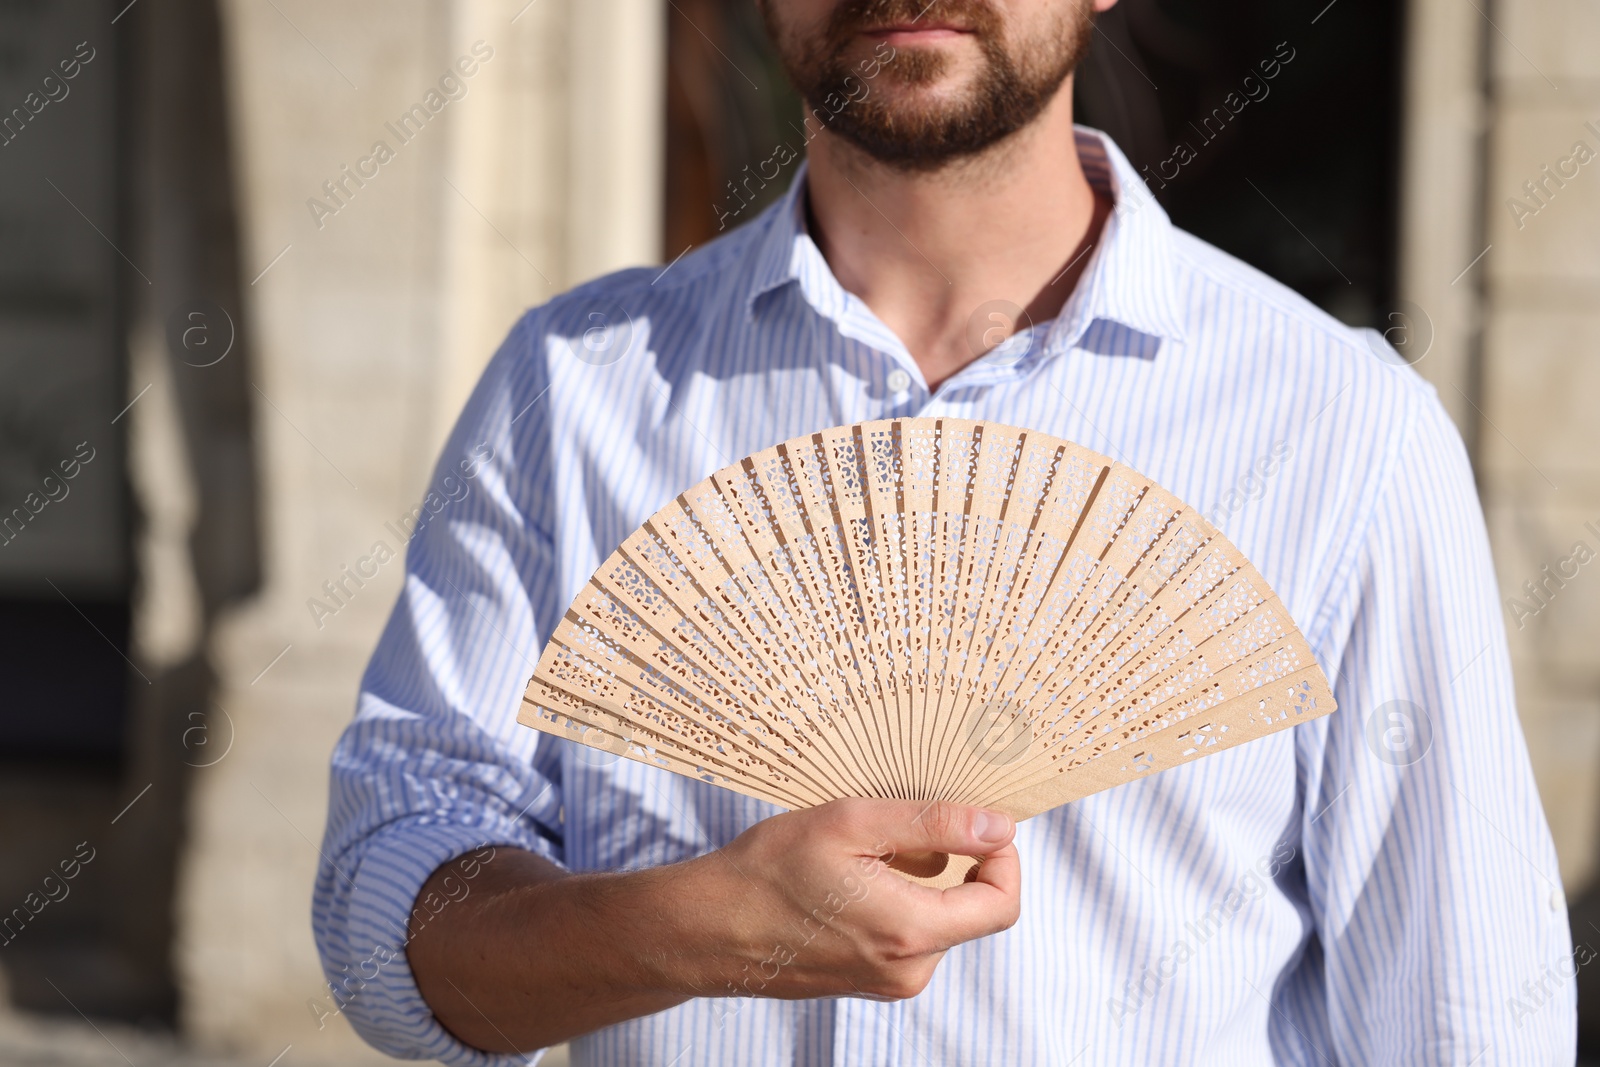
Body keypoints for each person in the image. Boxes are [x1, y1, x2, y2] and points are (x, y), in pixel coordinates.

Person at [312, 0, 1578, 1062]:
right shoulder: (572, 389)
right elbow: (389, 921)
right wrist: (697, 923)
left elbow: (1465, 1015)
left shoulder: (1344, 427)